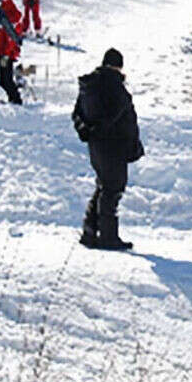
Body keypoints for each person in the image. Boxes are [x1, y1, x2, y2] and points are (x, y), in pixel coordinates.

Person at [73, 48, 143, 250]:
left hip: (97, 145)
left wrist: (87, 131)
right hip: (113, 145)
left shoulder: (89, 86)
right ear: (118, 66)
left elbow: (77, 114)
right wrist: (131, 144)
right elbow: (118, 117)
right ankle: (108, 236)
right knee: (113, 188)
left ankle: (90, 230)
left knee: (103, 186)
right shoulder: (114, 86)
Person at [0, 0, 25, 105]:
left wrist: (5, 54)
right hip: (3, 54)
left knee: (5, 80)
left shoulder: (13, 21)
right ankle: (13, 98)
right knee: (4, 80)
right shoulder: (6, 20)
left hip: (7, 56)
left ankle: (15, 99)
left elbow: (11, 40)